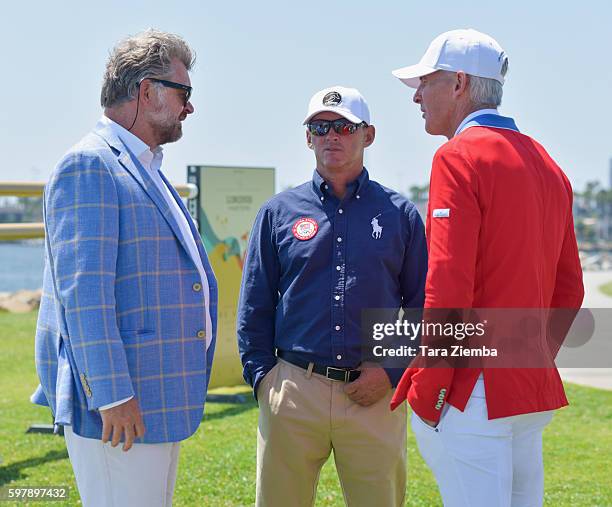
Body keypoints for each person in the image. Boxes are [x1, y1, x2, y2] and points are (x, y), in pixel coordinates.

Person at [389, 29, 584, 506]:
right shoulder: (549, 164)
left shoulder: (458, 157)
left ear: (458, 84)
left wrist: (431, 385)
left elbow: (449, 286)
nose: (416, 95)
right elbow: (570, 289)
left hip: (469, 389)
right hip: (526, 384)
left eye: (425, 81)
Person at [31, 29, 217, 507]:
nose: (190, 107)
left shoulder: (144, 165)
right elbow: (84, 295)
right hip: (121, 410)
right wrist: (112, 396)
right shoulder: (90, 166)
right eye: (184, 92)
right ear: (146, 90)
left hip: (156, 399)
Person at [237, 85, 428, 507]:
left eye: (344, 126)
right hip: (292, 390)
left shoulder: (400, 214)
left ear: (368, 135)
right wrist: (264, 382)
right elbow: (255, 306)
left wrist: (392, 370)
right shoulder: (278, 213)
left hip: (375, 395)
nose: (332, 136)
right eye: (320, 127)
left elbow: (421, 306)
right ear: (308, 138)